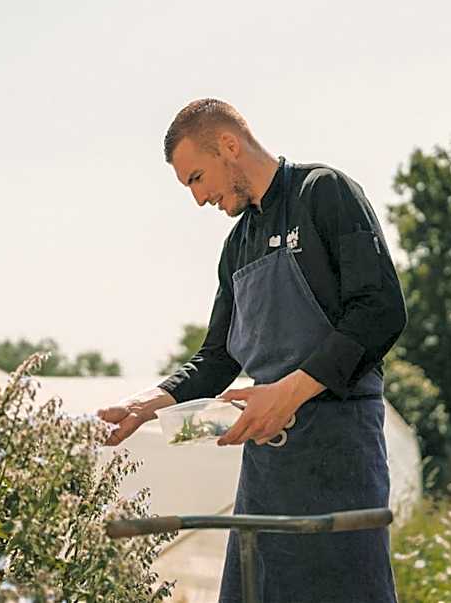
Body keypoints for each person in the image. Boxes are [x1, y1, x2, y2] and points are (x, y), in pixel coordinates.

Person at [96, 98, 407, 603]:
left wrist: (290, 393)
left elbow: (380, 312)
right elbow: (218, 358)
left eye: (197, 178)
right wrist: (146, 405)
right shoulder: (236, 245)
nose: (198, 199)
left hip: (339, 451)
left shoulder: (323, 193)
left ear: (229, 145)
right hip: (268, 467)